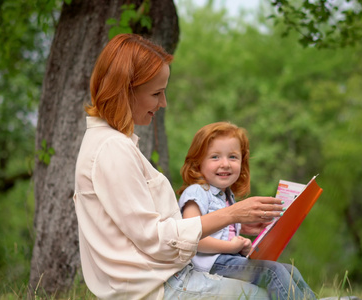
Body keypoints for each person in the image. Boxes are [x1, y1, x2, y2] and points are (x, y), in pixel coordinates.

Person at [73, 33, 300, 299]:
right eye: (156, 93)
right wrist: (233, 214)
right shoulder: (111, 149)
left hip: (168, 279)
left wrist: (234, 224)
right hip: (161, 288)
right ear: (125, 91)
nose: (163, 103)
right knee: (267, 294)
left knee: (278, 283)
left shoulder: (113, 145)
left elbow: (152, 229)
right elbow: (153, 238)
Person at [177, 121, 316, 300]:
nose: (225, 164)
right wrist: (231, 246)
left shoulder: (227, 195)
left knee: (290, 270)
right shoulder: (196, 192)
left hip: (228, 259)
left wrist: (245, 240)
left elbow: (224, 231)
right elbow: (192, 236)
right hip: (210, 263)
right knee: (272, 272)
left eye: (233, 157)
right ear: (197, 162)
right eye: (215, 157)